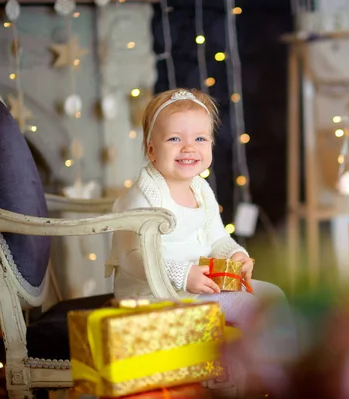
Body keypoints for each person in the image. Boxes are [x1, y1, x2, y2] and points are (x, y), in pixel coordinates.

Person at [107, 88, 297, 395]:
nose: (188, 148)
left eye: (199, 138)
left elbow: (217, 236)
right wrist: (183, 274)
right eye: (174, 139)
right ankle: (264, 377)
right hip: (156, 297)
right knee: (251, 306)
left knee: (273, 294)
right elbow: (132, 256)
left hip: (201, 287)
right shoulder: (142, 196)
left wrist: (235, 254)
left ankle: (280, 373)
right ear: (151, 149)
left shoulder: (201, 189)